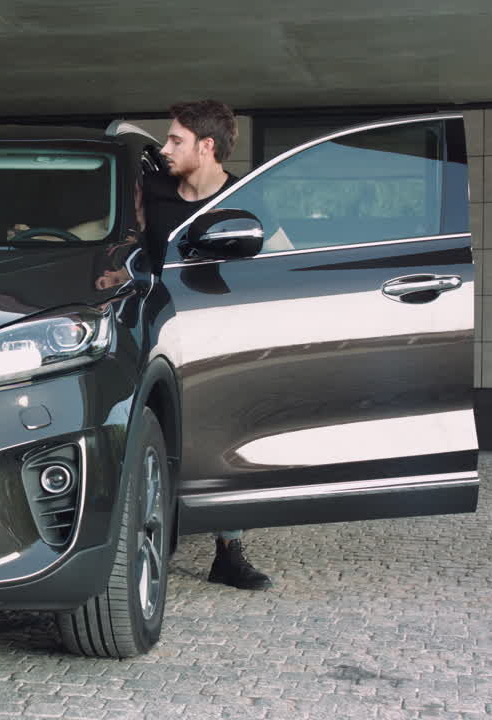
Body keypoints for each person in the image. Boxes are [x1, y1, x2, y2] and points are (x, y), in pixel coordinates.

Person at [148, 99, 273, 591]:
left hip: (222, 333)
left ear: (207, 146)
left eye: (175, 140)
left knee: (228, 434)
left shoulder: (247, 196)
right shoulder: (150, 191)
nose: (165, 149)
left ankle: (229, 550)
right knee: (158, 431)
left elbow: (279, 259)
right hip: (159, 332)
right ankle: (151, 534)